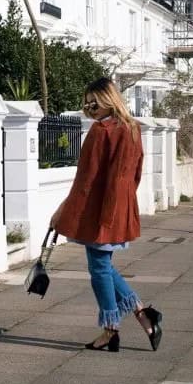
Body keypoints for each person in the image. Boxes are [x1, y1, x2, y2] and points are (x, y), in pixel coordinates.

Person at [51, 77, 162, 353]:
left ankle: (111, 330)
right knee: (104, 266)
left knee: (99, 268)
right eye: (86, 103)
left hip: (101, 210)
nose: (89, 107)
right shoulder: (133, 129)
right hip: (120, 207)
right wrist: (123, 206)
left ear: (109, 99)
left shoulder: (102, 131)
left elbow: (85, 179)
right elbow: (134, 176)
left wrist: (63, 211)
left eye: (94, 102)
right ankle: (142, 313)